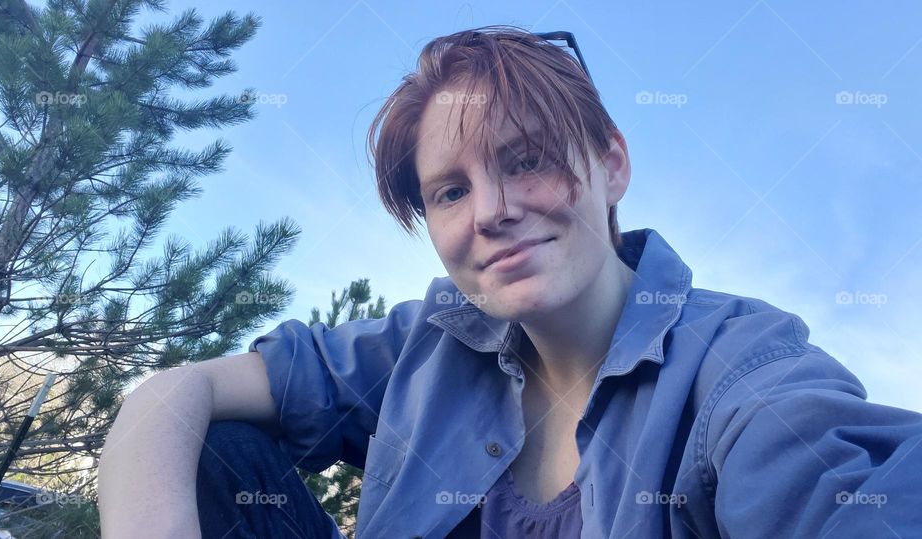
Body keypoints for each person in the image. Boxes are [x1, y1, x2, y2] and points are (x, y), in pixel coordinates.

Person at [98, 25, 922, 538]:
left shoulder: (740, 370)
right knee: (221, 450)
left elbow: (845, 488)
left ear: (611, 163)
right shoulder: (425, 346)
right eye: (450, 190)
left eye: (525, 160)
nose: (490, 211)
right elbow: (173, 395)